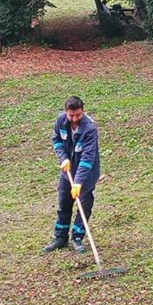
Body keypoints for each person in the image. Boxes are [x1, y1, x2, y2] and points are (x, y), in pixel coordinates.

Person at [43, 96, 101, 254]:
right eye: (71, 115)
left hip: (86, 175)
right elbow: (57, 140)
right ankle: (60, 238)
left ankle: (77, 238)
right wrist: (63, 158)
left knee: (84, 206)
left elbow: (88, 158)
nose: (75, 119)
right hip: (67, 171)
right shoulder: (61, 121)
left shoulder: (90, 128)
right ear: (66, 112)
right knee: (64, 203)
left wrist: (78, 182)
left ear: (83, 111)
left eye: (78, 115)